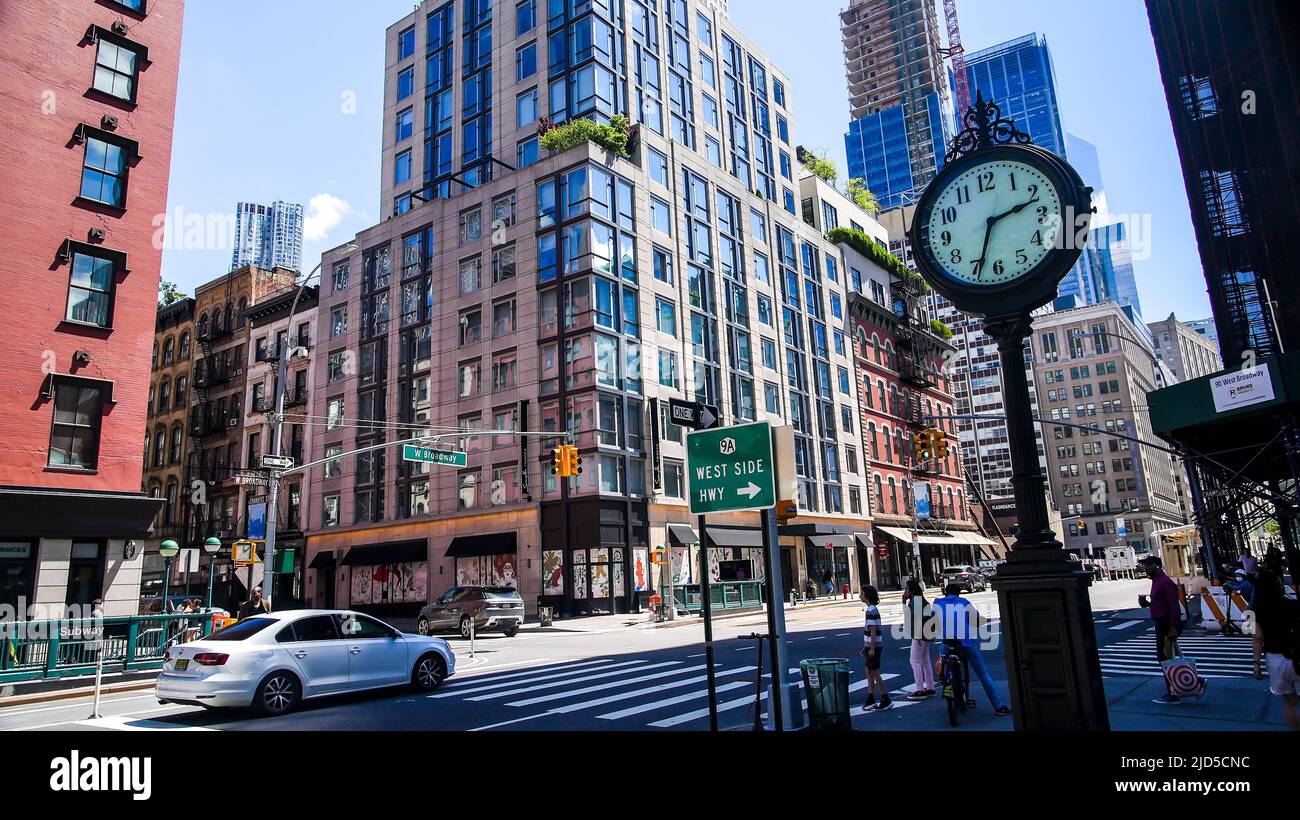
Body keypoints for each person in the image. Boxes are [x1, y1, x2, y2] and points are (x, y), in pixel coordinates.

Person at [932, 583, 1012, 716]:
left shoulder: (938, 603)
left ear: (945, 592)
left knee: (941, 654)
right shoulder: (964, 602)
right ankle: (998, 706)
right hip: (966, 642)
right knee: (983, 674)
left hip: (947, 642)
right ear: (958, 593)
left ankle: (943, 677)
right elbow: (976, 619)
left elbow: (932, 622)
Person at [1251, 570, 1300, 730]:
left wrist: (1256, 664)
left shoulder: (1255, 611)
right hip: (1295, 655)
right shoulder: (1292, 605)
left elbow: (1257, 638)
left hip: (1275, 658)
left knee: (1288, 702)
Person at [1138, 555, 1184, 704]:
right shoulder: (1157, 581)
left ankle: (1173, 692)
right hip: (1161, 622)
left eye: (1149, 565)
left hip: (1165, 624)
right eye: (1145, 565)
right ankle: (1176, 688)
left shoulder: (1164, 582)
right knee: (1165, 658)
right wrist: (1147, 604)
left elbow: (1173, 606)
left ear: (1157, 566)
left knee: (1165, 658)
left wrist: (1172, 627)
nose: (1146, 567)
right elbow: (1162, 604)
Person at [902, 578, 935, 699]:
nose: (905, 591)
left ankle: (920, 689)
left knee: (915, 661)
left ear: (910, 590)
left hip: (918, 635)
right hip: (926, 634)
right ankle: (930, 687)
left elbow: (909, 618)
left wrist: (903, 602)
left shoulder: (914, 602)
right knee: (925, 661)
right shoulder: (923, 601)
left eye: (906, 589)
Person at [859, 585, 891, 711]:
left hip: (874, 645)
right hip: (871, 645)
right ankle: (871, 697)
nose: (860, 596)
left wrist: (871, 648)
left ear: (867, 596)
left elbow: (873, 630)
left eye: (861, 594)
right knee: (869, 670)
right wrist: (866, 647)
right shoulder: (871, 609)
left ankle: (885, 697)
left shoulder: (870, 610)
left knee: (874, 671)